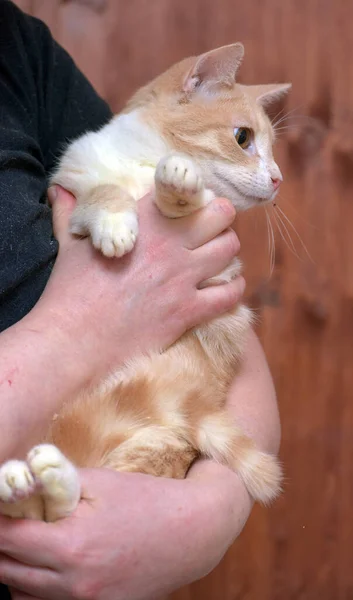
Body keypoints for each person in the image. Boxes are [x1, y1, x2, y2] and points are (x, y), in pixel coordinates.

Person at [0, 2, 280, 599]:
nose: (274, 176)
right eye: (246, 140)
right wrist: (81, 325)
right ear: (193, 85)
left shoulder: (19, 49)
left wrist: (211, 512)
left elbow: (234, 353)